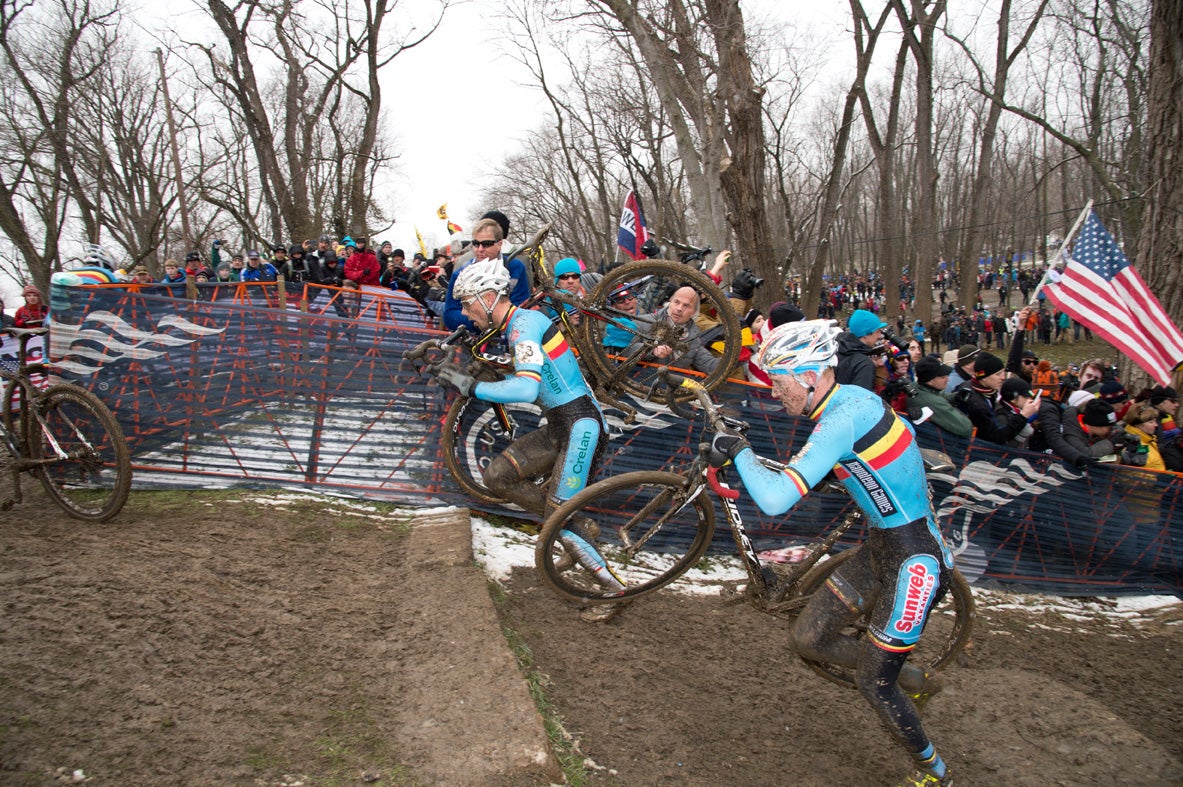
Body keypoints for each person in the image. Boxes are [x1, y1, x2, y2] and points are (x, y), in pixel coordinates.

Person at [709, 319, 955, 787]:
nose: (776, 395)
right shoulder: (847, 403)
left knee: (873, 682)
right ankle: (914, 678)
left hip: (915, 562)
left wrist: (739, 452)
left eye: (779, 384)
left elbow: (777, 501)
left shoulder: (841, 419)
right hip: (883, 546)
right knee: (807, 639)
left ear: (808, 376)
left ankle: (935, 772)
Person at [432, 259, 610, 617]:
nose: (466, 313)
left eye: (467, 304)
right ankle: (572, 524)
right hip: (561, 425)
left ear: (486, 296)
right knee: (498, 476)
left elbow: (527, 388)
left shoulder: (523, 326)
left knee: (559, 517)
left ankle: (613, 590)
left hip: (581, 427)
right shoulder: (516, 326)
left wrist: (470, 387)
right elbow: (525, 371)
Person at [442, 217, 530, 331]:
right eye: (475, 244)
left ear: (500, 244)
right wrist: (478, 320)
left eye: (487, 244)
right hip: (475, 338)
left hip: (508, 335)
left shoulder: (516, 268)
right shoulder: (460, 273)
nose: (480, 249)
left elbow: (523, 304)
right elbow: (449, 315)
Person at [626, 285, 720, 375]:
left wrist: (733, 358)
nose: (679, 308)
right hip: (636, 386)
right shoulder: (643, 322)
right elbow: (626, 350)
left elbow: (711, 366)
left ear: (694, 312)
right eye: (676, 302)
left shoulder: (693, 340)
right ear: (670, 302)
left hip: (667, 390)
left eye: (686, 306)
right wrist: (652, 350)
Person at [951, 352, 1038, 445]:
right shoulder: (976, 404)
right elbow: (997, 437)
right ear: (984, 378)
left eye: (1003, 373)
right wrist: (1024, 416)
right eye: (998, 374)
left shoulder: (987, 391)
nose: (1003, 378)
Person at [907, 356, 972, 438]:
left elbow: (937, 394)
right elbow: (966, 428)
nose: (948, 380)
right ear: (930, 380)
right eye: (943, 377)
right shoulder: (932, 402)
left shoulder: (918, 386)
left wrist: (955, 397)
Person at [834, 308, 888, 391]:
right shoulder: (864, 364)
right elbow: (861, 400)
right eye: (877, 332)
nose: (880, 336)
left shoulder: (837, 349)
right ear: (865, 334)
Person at [1119, 404, 1165, 470]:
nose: (1156, 425)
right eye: (1151, 422)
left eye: (1155, 421)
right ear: (1138, 425)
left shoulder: (1148, 440)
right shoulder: (1136, 445)